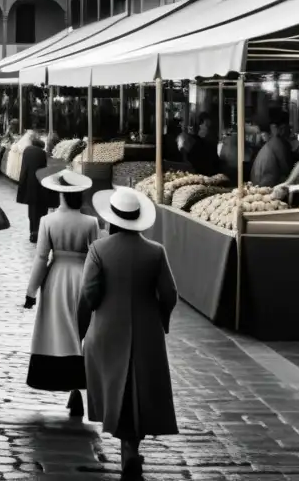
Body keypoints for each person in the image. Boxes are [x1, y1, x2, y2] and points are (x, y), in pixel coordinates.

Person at [79, 187, 178, 477]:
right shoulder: (156, 251)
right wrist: (161, 320)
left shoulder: (99, 249)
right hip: (147, 330)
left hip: (108, 328)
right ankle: (131, 447)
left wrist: (85, 324)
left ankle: (127, 449)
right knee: (140, 390)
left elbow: (89, 292)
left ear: (112, 218)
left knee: (115, 387)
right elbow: (170, 293)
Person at [23, 170, 99, 417]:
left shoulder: (48, 221)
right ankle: (77, 387)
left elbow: (41, 258)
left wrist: (31, 292)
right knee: (79, 332)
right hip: (83, 276)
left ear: (60, 193)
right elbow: (95, 257)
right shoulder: (90, 223)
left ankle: (62, 381)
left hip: (56, 278)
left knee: (59, 330)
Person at [16, 135, 51, 244]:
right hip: (41, 185)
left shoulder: (27, 151)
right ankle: (39, 233)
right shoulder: (42, 154)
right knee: (41, 211)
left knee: (32, 211)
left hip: (29, 184)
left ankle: (32, 232)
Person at [250, 114, 293, 188]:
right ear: (280, 129)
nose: (289, 131)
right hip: (265, 186)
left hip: (259, 183)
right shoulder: (277, 142)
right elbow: (286, 169)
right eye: (287, 128)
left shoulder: (272, 143)